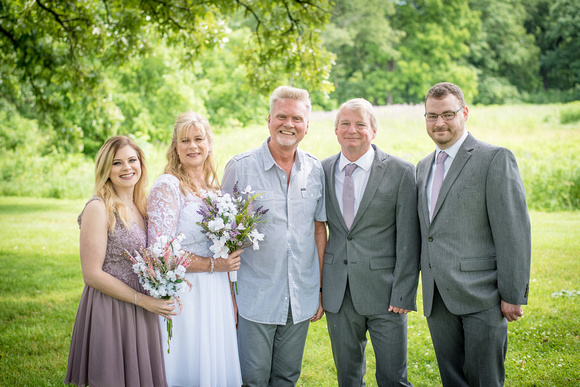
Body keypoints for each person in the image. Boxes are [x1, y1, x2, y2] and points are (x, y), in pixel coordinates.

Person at [416, 82, 531, 386]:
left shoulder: (494, 159)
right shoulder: (423, 166)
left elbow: (513, 231)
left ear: (464, 113)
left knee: (484, 379)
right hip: (437, 297)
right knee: (451, 378)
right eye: (431, 116)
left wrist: (513, 294)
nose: (439, 122)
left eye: (447, 114)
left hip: (484, 295)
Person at [221, 85, 327, 387]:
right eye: (282, 116)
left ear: (306, 126)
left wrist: (318, 289)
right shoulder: (240, 168)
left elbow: (319, 230)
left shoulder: (315, 170)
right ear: (269, 119)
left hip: (300, 296)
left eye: (296, 119)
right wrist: (229, 296)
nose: (288, 125)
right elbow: (222, 237)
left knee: (286, 378)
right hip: (254, 297)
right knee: (252, 379)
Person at [321, 98, 420, 386]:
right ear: (336, 131)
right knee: (348, 377)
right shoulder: (322, 170)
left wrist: (404, 291)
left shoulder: (401, 171)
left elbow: (408, 238)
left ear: (373, 131)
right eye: (345, 124)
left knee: (393, 377)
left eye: (360, 124)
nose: (352, 130)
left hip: (386, 293)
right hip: (339, 292)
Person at [65, 135, 177, 387]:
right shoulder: (99, 207)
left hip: (143, 308)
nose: (127, 168)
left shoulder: (142, 205)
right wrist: (144, 300)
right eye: (117, 163)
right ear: (106, 169)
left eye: (132, 160)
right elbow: (91, 274)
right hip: (111, 307)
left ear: (141, 163)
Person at [147, 111, 243, 386]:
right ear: (175, 147)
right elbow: (160, 252)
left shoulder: (214, 191)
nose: (192, 146)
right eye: (184, 140)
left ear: (209, 143)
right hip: (184, 291)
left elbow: (223, 249)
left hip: (217, 293)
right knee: (187, 364)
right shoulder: (168, 186)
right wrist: (214, 265)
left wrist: (231, 297)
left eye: (198, 139)